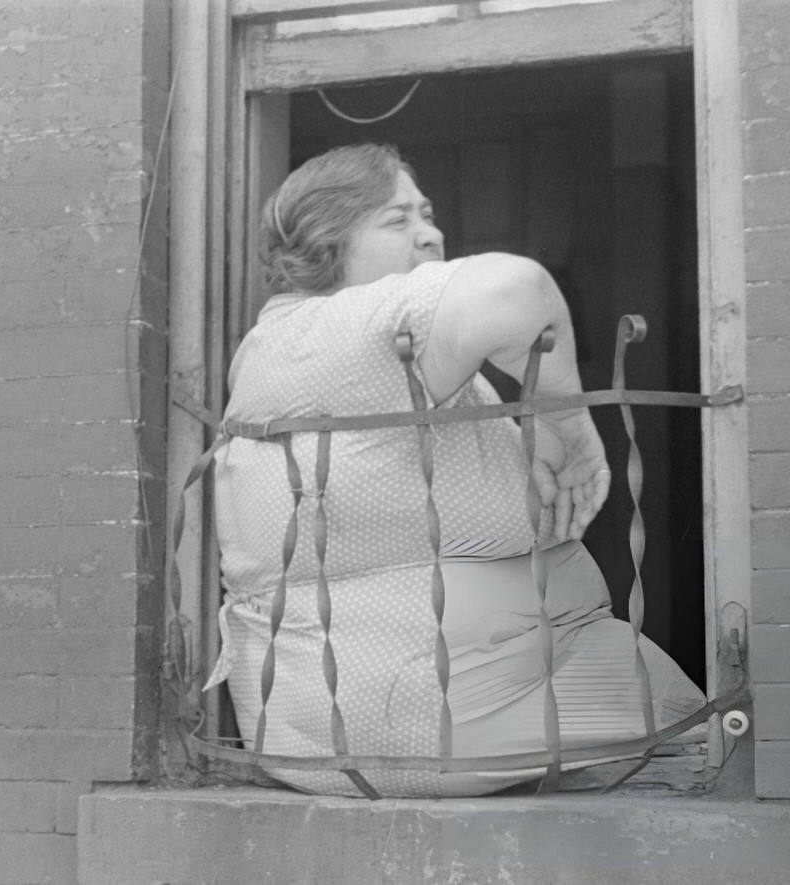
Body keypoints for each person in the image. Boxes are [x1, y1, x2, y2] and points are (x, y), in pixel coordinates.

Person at [204, 143, 703, 798]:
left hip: (470, 688)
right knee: (719, 754)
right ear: (329, 243)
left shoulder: (351, 347)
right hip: (426, 703)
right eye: (397, 220)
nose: (430, 232)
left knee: (705, 749)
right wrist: (569, 427)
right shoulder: (332, 329)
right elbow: (516, 292)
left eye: (428, 214)